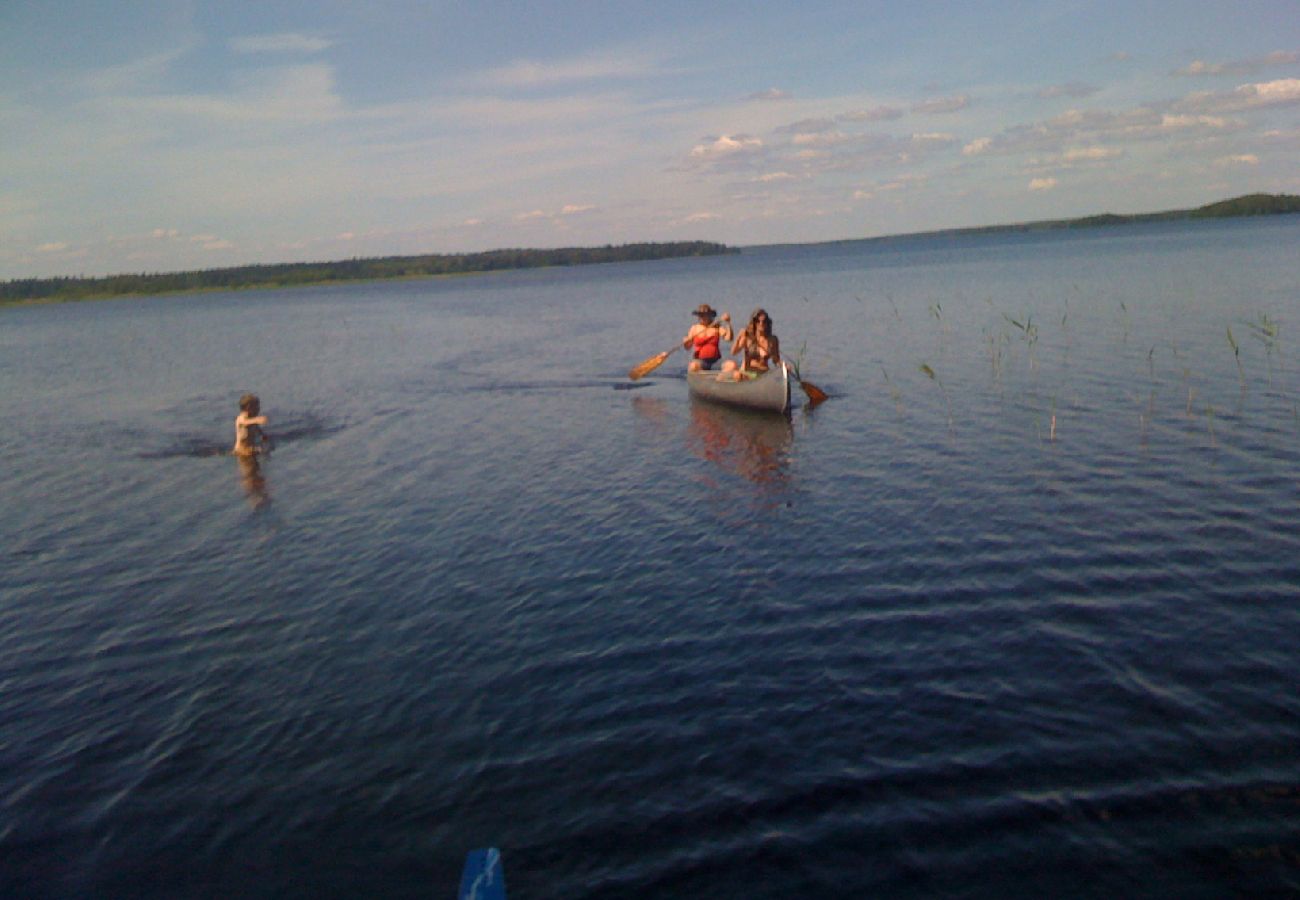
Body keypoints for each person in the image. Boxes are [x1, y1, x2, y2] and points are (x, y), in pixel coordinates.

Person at [726, 308, 782, 380]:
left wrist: (783, 366)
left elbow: (776, 360)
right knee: (735, 372)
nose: (761, 324)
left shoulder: (773, 339)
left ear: (767, 323)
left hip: (764, 373)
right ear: (754, 323)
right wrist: (739, 336)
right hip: (749, 373)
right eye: (758, 321)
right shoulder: (748, 338)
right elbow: (733, 352)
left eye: (764, 321)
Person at [682, 303, 733, 372]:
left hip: (716, 361)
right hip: (700, 361)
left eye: (704, 315)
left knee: (731, 365)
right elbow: (688, 347)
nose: (702, 317)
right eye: (700, 315)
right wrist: (686, 342)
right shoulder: (695, 328)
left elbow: (729, 339)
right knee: (693, 366)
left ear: (709, 315)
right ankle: (699, 376)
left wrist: (728, 323)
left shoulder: (716, 327)